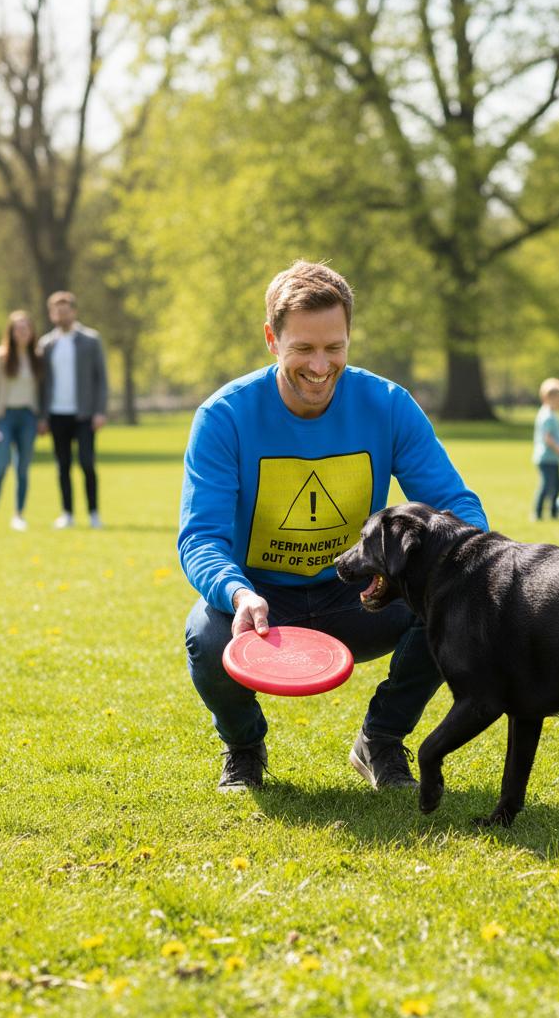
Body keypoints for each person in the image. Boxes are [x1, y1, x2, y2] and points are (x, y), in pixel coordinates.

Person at [179, 260, 487, 792]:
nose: (320, 366)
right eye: (303, 348)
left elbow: (456, 506)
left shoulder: (388, 405)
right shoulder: (224, 416)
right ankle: (245, 749)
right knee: (205, 638)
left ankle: (381, 740)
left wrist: (454, 570)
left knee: (452, 607)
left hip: (361, 595)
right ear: (272, 339)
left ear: (348, 338)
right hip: (261, 603)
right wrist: (237, 594)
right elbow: (201, 537)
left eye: (334, 347)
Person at [37, 291, 108, 529]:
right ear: (51, 314)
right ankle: (67, 513)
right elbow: (41, 383)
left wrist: (100, 410)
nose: (61, 315)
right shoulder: (46, 344)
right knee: (62, 466)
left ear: (74, 312)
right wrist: (43, 416)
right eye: (57, 311)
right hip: (57, 414)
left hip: (85, 414)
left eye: (66, 310)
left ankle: (94, 513)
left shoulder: (90, 340)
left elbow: (101, 378)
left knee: (87, 464)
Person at [0, 310, 42, 532]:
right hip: (4, 417)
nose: (22, 332)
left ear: (32, 331)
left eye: (26, 328)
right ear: (11, 332)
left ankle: (18, 515)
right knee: (0, 466)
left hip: (27, 417)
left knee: (22, 469)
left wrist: (41, 418)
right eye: (18, 328)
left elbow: (42, 391)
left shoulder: (37, 357)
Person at [531, 378, 559, 520]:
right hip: (546, 458)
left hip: (553, 458)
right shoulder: (547, 415)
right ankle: (537, 512)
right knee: (547, 486)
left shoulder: (552, 414)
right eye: (557, 398)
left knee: (557, 486)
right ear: (546, 398)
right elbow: (548, 438)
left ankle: (554, 512)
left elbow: (558, 435)